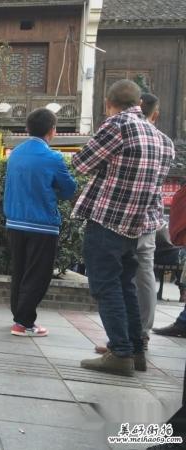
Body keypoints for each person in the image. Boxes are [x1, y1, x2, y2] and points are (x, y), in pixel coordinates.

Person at [75, 80, 174, 377]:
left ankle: (119, 353)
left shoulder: (117, 125)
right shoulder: (162, 139)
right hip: (137, 224)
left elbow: (81, 163)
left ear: (108, 103)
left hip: (108, 219)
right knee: (125, 284)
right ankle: (136, 349)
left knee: (105, 285)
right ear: (140, 104)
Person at [95, 93, 173, 354]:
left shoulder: (120, 130)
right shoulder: (164, 141)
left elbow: (88, 164)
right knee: (142, 274)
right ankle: (139, 336)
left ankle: (121, 342)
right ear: (155, 114)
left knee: (113, 278)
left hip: (117, 216)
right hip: (148, 217)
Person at [3, 108, 77, 337]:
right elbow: (69, 189)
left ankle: (18, 317)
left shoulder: (15, 153)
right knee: (38, 275)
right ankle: (24, 322)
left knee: (20, 271)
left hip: (14, 221)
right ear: (52, 130)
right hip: (42, 225)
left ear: (27, 128)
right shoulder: (53, 158)